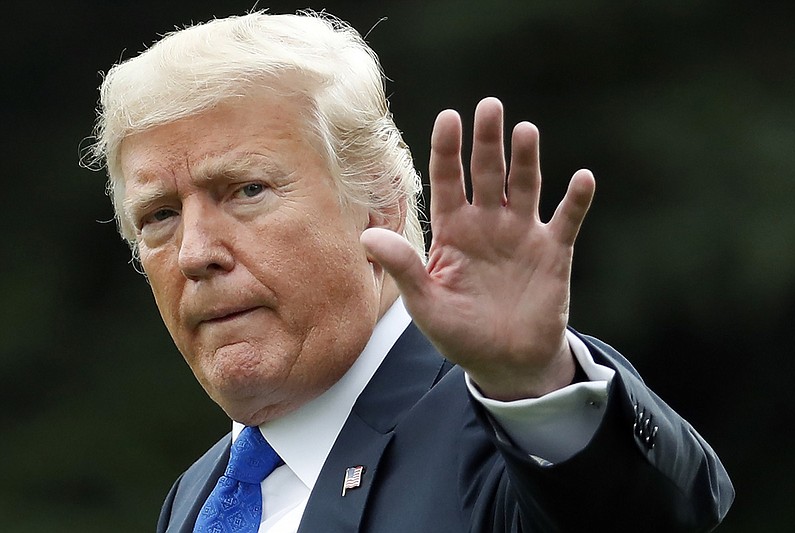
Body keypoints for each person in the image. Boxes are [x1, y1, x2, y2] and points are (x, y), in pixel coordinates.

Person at [89, 10, 733, 533]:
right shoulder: (199, 498)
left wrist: (534, 383)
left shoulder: (499, 433)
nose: (196, 251)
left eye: (246, 190)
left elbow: (649, 512)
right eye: (159, 216)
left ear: (381, 202)